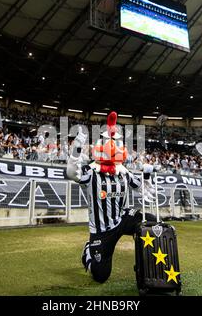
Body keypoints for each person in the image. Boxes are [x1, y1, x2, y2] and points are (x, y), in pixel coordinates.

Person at [66, 112, 156, 283]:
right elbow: (71, 172)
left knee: (150, 221)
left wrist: (146, 176)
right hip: (102, 230)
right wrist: (77, 147)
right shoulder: (91, 172)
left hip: (122, 218)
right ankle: (88, 250)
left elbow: (141, 188)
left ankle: (146, 264)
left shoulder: (124, 172)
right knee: (101, 276)